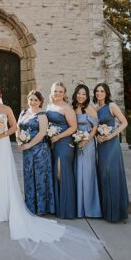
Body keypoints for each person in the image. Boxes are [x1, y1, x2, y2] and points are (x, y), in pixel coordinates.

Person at [0, 84, 103, 260]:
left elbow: (38, 131)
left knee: (38, 177)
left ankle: (41, 207)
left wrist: (6, 136)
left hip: (35, 148)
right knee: (19, 177)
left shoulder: (35, 112)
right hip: (2, 146)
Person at [94, 83, 130, 223]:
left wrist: (111, 135)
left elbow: (124, 122)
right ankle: (105, 210)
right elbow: (95, 126)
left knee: (111, 173)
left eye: (102, 91)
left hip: (111, 144)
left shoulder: (111, 106)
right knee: (103, 174)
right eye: (97, 91)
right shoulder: (95, 107)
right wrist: (97, 135)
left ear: (106, 93)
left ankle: (115, 212)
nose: (99, 93)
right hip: (101, 144)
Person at [18, 90, 55, 215]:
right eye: (31, 99)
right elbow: (18, 129)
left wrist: (29, 144)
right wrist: (19, 141)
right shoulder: (23, 112)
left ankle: (41, 207)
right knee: (28, 176)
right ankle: (30, 206)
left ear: (40, 102)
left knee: (40, 178)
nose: (33, 102)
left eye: (36, 100)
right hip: (27, 151)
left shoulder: (41, 114)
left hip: (40, 150)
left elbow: (42, 133)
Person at [46, 82, 79, 219]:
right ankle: (57, 207)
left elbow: (73, 127)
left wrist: (58, 136)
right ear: (52, 92)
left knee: (61, 171)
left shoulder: (67, 108)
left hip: (65, 143)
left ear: (64, 93)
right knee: (55, 171)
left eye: (60, 91)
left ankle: (67, 208)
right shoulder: (49, 106)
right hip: (52, 143)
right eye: (55, 91)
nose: (58, 94)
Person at [72, 84, 102, 218]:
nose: (81, 96)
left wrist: (87, 139)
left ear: (87, 96)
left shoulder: (90, 108)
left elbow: (95, 127)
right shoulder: (72, 108)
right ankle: (79, 207)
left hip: (88, 144)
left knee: (88, 174)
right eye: (79, 93)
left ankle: (90, 208)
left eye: (84, 94)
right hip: (76, 143)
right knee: (77, 173)